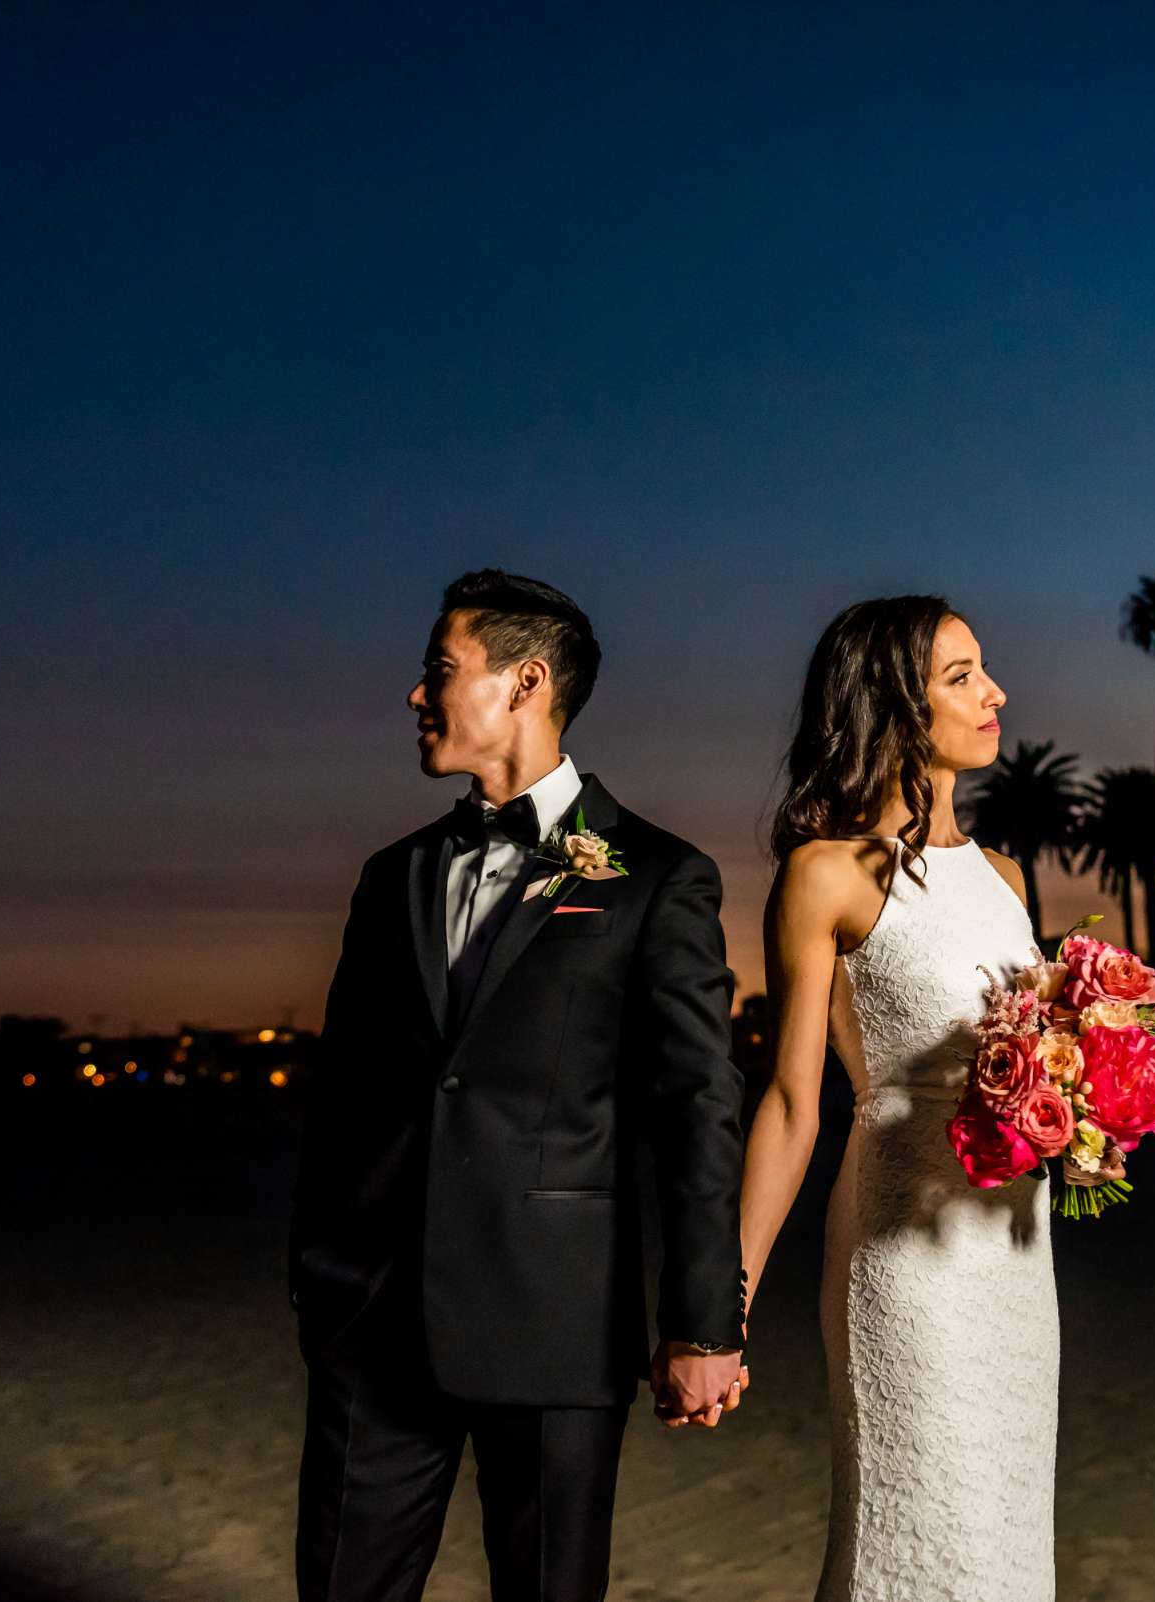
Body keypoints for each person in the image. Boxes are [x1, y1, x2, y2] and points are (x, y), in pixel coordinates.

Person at [289, 568, 750, 1602]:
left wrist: (705, 1323)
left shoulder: (658, 877)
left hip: (559, 1324)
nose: (416, 696)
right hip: (371, 1320)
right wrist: (317, 1278)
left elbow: (698, 1108)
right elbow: (344, 1096)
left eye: (438, 672)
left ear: (526, 681)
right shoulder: (392, 876)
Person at [738, 595, 1060, 1601]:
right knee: (912, 1532)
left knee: (1004, 1543)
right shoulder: (824, 875)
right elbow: (793, 1105)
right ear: (889, 703)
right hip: (904, 1266)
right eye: (961, 675)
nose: (994, 692)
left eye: (984, 669)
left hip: (1015, 1257)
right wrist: (723, 1304)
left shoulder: (1005, 876)